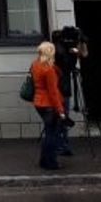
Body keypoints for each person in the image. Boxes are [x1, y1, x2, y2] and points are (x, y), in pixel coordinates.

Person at [53, 26, 88, 155]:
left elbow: (84, 54)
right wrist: (72, 51)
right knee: (61, 116)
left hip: (64, 86)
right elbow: (66, 63)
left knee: (63, 116)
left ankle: (63, 144)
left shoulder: (69, 48)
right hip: (60, 87)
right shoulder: (59, 49)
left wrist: (83, 42)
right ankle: (59, 145)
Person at [31, 40, 65, 170]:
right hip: (49, 104)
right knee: (52, 135)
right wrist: (60, 110)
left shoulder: (35, 64)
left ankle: (44, 160)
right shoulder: (49, 69)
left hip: (39, 102)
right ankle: (50, 161)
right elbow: (53, 92)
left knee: (49, 132)